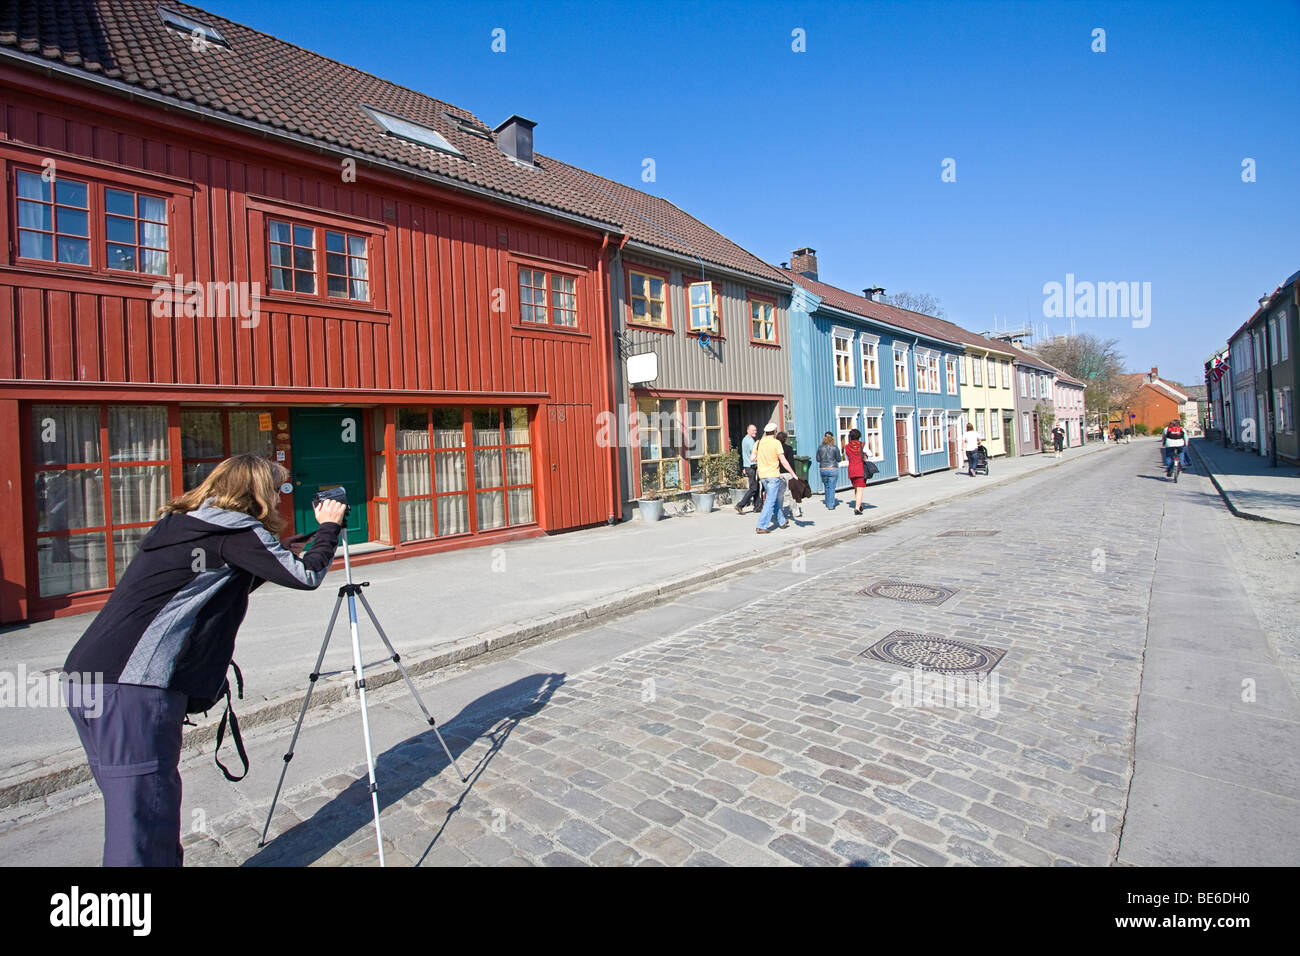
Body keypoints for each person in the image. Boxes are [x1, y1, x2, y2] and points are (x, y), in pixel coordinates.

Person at [62, 454, 347, 866]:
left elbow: (205, 582)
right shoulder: (237, 530)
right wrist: (329, 529)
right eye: (275, 489)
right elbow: (306, 577)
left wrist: (273, 555)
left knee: (134, 813)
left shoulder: (184, 521)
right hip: (132, 686)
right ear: (257, 491)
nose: (279, 498)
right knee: (143, 825)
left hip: (89, 677)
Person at [755, 423, 797, 533]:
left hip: (762, 475)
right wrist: (793, 473)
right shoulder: (776, 443)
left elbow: (752, 457)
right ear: (774, 432)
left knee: (772, 499)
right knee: (770, 501)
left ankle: (782, 521)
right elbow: (783, 460)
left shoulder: (759, 442)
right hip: (773, 475)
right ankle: (762, 526)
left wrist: (762, 460)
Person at [734, 423, 761, 514]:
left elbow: (745, 454)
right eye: (753, 430)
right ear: (748, 430)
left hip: (747, 466)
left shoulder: (744, 439)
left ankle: (757, 506)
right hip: (752, 466)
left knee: (756, 486)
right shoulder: (750, 441)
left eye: (756, 430)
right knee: (753, 488)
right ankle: (740, 505)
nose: (755, 432)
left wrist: (744, 466)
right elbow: (754, 453)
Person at [776, 431, 802, 518]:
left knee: (780, 494)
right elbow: (791, 462)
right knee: (792, 493)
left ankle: (779, 512)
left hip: (778, 473)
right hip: (788, 473)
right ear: (785, 439)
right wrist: (794, 473)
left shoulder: (775, 449)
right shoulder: (789, 448)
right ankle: (795, 511)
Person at [814, 431, 842, 509]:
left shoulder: (820, 447)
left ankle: (827, 502)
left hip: (823, 468)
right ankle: (830, 505)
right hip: (833, 468)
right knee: (832, 487)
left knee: (826, 486)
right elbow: (839, 459)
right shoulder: (835, 447)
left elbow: (818, 459)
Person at [843, 428, 868, 515]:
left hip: (851, 469)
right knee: (860, 488)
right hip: (860, 469)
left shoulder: (846, 447)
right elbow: (870, 454)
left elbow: (846, 458)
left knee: (856, 487)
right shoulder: (862, 445)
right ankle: (857, 508)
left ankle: (858, 504)